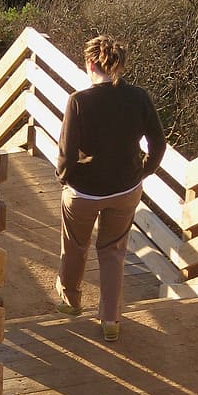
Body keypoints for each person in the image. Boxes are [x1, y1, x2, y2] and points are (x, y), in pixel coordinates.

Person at [55, 34, 166, 342]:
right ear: (120, 64)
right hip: (125, 188)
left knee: (75, 245)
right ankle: (110, 320)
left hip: (84, 191)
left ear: (90, 63)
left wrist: (64, 178)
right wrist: (144, 171)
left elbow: (66, 151)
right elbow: (158, 142)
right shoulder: (139, 97)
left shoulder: (79, 100)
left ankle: (71, 302)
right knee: (113, 251)